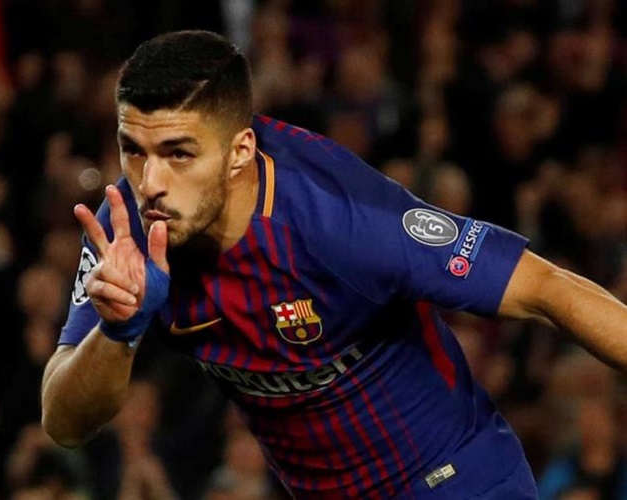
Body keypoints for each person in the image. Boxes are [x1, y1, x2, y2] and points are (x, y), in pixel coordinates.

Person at [40, 30, 627, 499]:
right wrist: (117, 332)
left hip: (452, 478)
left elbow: (547, 287)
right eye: (133, 150)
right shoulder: (124, 232)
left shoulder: (342, 221)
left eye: (178, 154)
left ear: (240, 151)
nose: (150, 182)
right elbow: (63, 421)